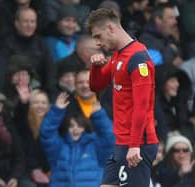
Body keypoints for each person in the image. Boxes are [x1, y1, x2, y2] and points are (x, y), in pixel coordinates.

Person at [85, 8, 158, 187]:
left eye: (98, 36)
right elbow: (96, 86)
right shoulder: (118, 56)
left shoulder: (138, 59)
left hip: (137, 144)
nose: (97, 43)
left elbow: (142, 106)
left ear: (110, 28)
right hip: (122, 143)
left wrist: (134, 146)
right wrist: (95, 67)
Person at [40, 93, 115, 187]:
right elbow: (47, 133)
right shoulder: (58, 147)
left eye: (80, 126)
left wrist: (99, 115)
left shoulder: (95, 148)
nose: (75, 129)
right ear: (66, 128)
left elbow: (109, 136)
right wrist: (57, 111)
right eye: (71, 126)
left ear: (86, 128)